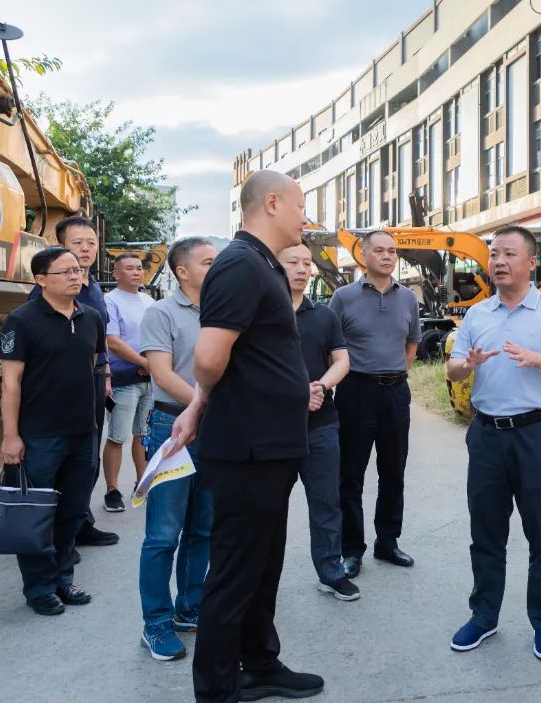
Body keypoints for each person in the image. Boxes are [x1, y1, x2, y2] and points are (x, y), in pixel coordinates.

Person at [169, 170, 324, 703]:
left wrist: (196, 406)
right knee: (236, 570)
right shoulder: (239, 264)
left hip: (270, 444)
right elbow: (210, 357)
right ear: (273, 203)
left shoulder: (260, 265)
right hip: (248, 448)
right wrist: (199, 402)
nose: (306, 216)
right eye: (301, 205)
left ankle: (259, 663)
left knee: (264, 562)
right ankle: (215, 689)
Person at [444, 225, 541, 661]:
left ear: (530, 263)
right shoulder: (478, 315)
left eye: (507, 254)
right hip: (487, 435)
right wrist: (465, 364)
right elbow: (452, 369)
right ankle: (483, 616)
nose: (498, 262)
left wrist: (537, 358)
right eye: (493, 254)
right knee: (485, 532)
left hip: (536, 433)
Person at [0, 247, 106, 615]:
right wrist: (11, 436)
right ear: (40, 279)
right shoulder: (22, 321)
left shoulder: (91, 318)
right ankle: (39, 587)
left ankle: (63, 578)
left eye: (77, 270)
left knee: (72, 511)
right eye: (65, 272)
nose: (75, 276)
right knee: (37, 514)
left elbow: (89, 367)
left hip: (82, 434)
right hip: (39, 436)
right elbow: (11, 382)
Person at [137, 237, 218, 661]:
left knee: (202, 529)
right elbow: (163, 375)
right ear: (182, 272)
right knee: (163, 534)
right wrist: (204, 405)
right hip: (173, 427)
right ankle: (156, 623)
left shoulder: (223, 312)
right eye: (208, 262)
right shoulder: (161, 313)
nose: (217, 267)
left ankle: (191, 606)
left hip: (215, 429)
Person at [329, 230, 421, 578]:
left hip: (396, 393)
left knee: (393, 470)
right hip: (355, 392)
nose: (387, 256)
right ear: (363, 256)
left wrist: (394, 374)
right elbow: (331, 346)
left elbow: (410, 345)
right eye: (379, 251)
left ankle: (388, 541)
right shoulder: (343, 297)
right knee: (350, 474)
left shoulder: (408, 298)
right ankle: (351, 549)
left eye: (392, 251)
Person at [28, 216, 119, 550]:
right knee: (59, 463)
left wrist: (105, 373)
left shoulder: (91, 285)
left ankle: (80, 523)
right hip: (58, 391)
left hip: (91, 383)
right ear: (60, 247)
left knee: (87, 458)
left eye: (91, 242)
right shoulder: (44, 295)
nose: (86, 249)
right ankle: (55, 536)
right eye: (77, 242)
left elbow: (99, 337)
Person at [277, 243, 357, 602]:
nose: (300, 268)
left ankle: (331, 571)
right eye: (292, 262)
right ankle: (262, 581)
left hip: (321, 424)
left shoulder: (324, 315)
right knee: (269, 508)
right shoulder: (262, 313)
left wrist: (321, 386)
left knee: (326, 502)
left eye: (306, 263)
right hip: (273, 428)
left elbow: (341, 360)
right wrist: (295, 394)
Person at [101, 252, 155, 512]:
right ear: (116, 274)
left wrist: (152, 363)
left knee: (143, 435)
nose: (136, 272)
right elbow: (113, 341)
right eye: (129, 268)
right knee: (117, 436)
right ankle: (112, 490)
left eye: (138, 268)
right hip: (124, 379)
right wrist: (144, 362)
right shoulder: (109, 301)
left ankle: (143, 483)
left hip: (150, 379)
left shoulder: (148, 300)